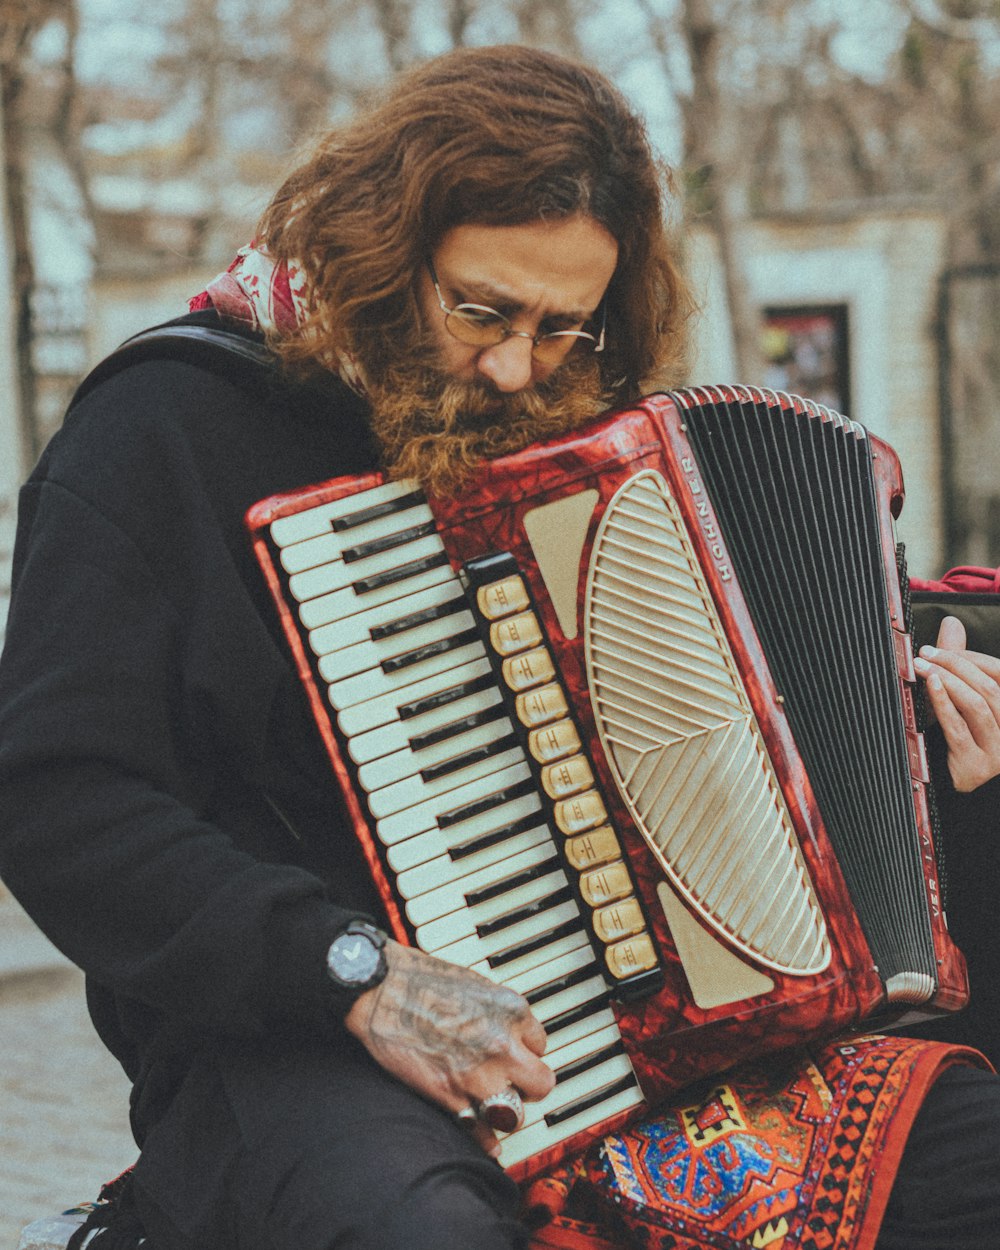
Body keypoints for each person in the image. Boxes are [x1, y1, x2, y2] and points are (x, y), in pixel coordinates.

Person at [0, 43, 997, 1250]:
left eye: (563, 326)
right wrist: (351, 969)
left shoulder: (601, 451)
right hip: (296, 1035)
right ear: (381, 247)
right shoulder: (167, 424)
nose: (517, 365)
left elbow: (737, 749)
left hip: (652, 1019)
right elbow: (58, 793)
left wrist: (929, 743)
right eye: (482, 308)